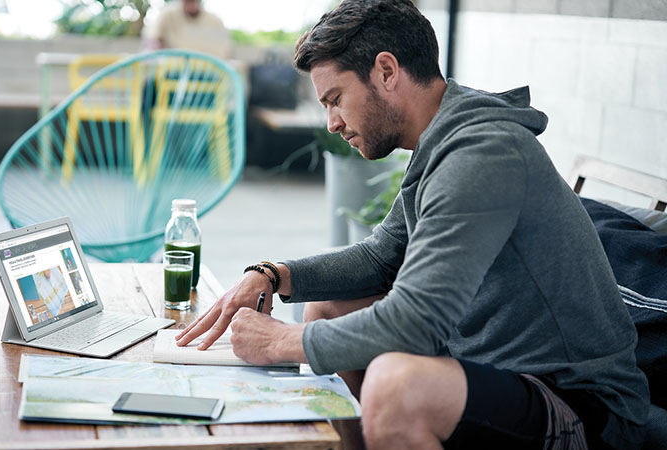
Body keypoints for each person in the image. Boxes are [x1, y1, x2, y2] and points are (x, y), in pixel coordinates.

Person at [175, 0, 649, 449]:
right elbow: (380, 257)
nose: (331, 123)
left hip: (579, 403)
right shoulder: (440, 143)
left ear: (386, 70)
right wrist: (273, 274)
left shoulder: (483, 151)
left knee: (395, 387)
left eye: (335, 99)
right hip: (492, 367)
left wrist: (281, 341)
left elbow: (417, 323)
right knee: (326, 309)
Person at [144, 0, 231, 59]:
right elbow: (152, 40)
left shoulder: (215, 21)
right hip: (173, 70)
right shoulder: (168, 15)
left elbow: (225, 51)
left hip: (209, 74)